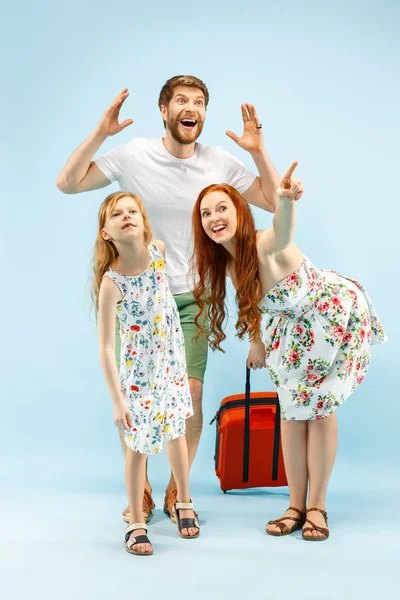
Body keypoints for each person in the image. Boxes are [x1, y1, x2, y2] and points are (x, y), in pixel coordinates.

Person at [56, 75, 281, 523]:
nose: (190, 107)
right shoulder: (135, 154)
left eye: (198, 101)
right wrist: (101, 132)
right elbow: (68, 182)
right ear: (165, 110)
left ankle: (180, 490)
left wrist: (257, 151)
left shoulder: (219, 161)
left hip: (192, 297)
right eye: (181, 100)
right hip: (138, 299)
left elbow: (277, 203)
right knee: (135, 396)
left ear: (202, 115)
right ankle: (138, 489)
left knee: (190, 396)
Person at [190, 162, 387, 541]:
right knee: (293, 413)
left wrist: (284, 198)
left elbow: (284, 230)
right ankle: (295, 505)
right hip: (292, 334)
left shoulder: (264, 242)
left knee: (321, 410)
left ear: (240, 212)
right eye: (205, 213)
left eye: (222, 208)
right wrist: (256, 341)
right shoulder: (231, 264)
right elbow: (256, 303)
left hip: (330, 319)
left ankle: (318, 506)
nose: (214, 218)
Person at [94, 190, 200, 555]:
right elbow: (107, 345)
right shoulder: (112, 284)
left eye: (132, 211)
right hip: (138, 380)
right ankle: (137, 522)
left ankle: (184, 499)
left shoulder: (159, 252)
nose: (127, 216)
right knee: (137, 448)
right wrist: (116, 399)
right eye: (117, 214)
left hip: (170, 369)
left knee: (177, 433)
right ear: (106, 232)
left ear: (142, 220)